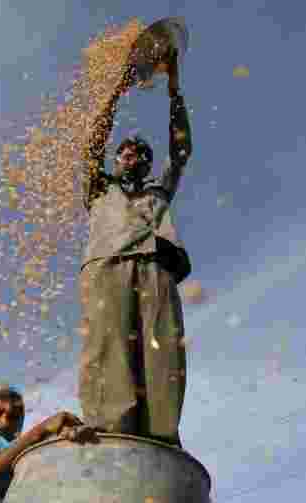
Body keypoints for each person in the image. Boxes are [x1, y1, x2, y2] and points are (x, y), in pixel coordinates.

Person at [78, 48, 193, 448]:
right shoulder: (99, 188)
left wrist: (173, 88)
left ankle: (162, 439)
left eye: (141, 154)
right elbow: (92, 146)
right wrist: (116, 92)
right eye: (126, 152)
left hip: (156, 267)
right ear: (117, 159)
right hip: (106, 265)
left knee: (162, 355)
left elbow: (180, 152)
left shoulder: (158, 192)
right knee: (108, 350)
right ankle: (111, 434)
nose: (134, 157)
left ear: (147, 163)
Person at [0, 387, 92, 503]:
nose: (5, 422)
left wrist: (65, 442)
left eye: (13, 417)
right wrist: (43, 429)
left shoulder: (23, 459)